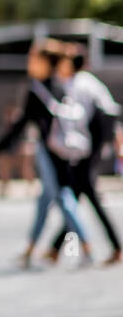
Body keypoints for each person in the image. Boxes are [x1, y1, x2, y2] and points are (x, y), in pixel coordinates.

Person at [0, 41, 93, 267]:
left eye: (33, 59)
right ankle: (29, 250)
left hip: (48, 151)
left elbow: (21, 125)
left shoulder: (38, 90)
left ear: (44, 62)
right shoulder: (61, 86)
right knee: (45, 201)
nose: (29, 63)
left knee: (63, 198)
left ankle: (86, 246)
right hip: (65, 150)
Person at [46, 44, 121, 265]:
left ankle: (115, 246)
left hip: (86, 147)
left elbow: (76, 120)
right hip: (93, 145)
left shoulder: (75, 85)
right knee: (78, 192)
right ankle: (55, 247)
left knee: (83, 193)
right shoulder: (92, 83)